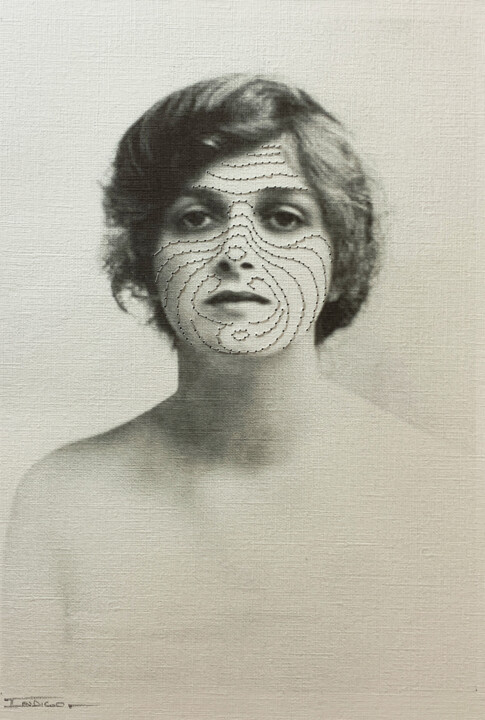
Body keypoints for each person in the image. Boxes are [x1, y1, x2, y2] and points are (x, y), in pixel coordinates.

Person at [2, 75, 476, 717]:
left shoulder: (446, 495)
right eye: (196, 218)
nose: (236, 252)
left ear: (340, 260)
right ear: (146, 260)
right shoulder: (62, 500)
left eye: (284, 218)